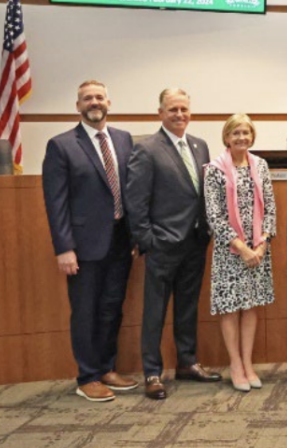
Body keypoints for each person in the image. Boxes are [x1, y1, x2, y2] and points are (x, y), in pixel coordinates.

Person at [42, 80, 136, 402]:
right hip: (83, 246)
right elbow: (56, 202)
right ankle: (87, 377)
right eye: (87, 98)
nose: (94, 102)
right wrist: (64, 247)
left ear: (109, 101)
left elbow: (132, 191)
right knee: (85, 311)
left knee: (112, 308)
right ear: (78, 106)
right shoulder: (61, 145)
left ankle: (107, 367)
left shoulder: (124, 140)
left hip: (121, 241)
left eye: (98, 97)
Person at [126, 88, 220, 400]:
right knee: (155, 311)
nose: (179, 115)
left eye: (183, 109)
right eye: (172, 109)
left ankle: (187, 362)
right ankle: (152, 372)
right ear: (160, 113)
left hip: (195, 241)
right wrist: (147, 241)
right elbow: (136, 201)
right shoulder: (147, 149)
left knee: (187, 307)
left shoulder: (200, 145)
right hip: (163, 244)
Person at [203, 114, 276, 392]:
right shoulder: (215, 169)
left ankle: (248, 363)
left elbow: (270, 207)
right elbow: (214, 215)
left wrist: (263, 243)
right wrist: (242, 247)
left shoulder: (260, 165)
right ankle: (235, 365)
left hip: (259, 249)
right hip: (229, 252)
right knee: (231, 309)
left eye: (246, 133)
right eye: (236, 134)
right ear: (227, 138)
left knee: (251, 307)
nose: (241, 138)